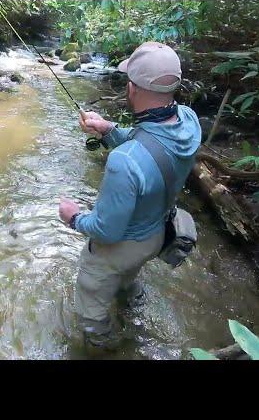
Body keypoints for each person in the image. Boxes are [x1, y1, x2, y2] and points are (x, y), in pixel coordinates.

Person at [58, 41, 201, 350]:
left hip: (121, 246)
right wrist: (108, 128)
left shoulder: (124, 162)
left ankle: (107, 348)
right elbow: (154, 146)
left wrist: (73, 217)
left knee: (91, 302)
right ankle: (134, 309)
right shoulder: (189, 119)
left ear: (133, 88)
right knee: (128, 278)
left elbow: (106, 230)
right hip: (156, 234)